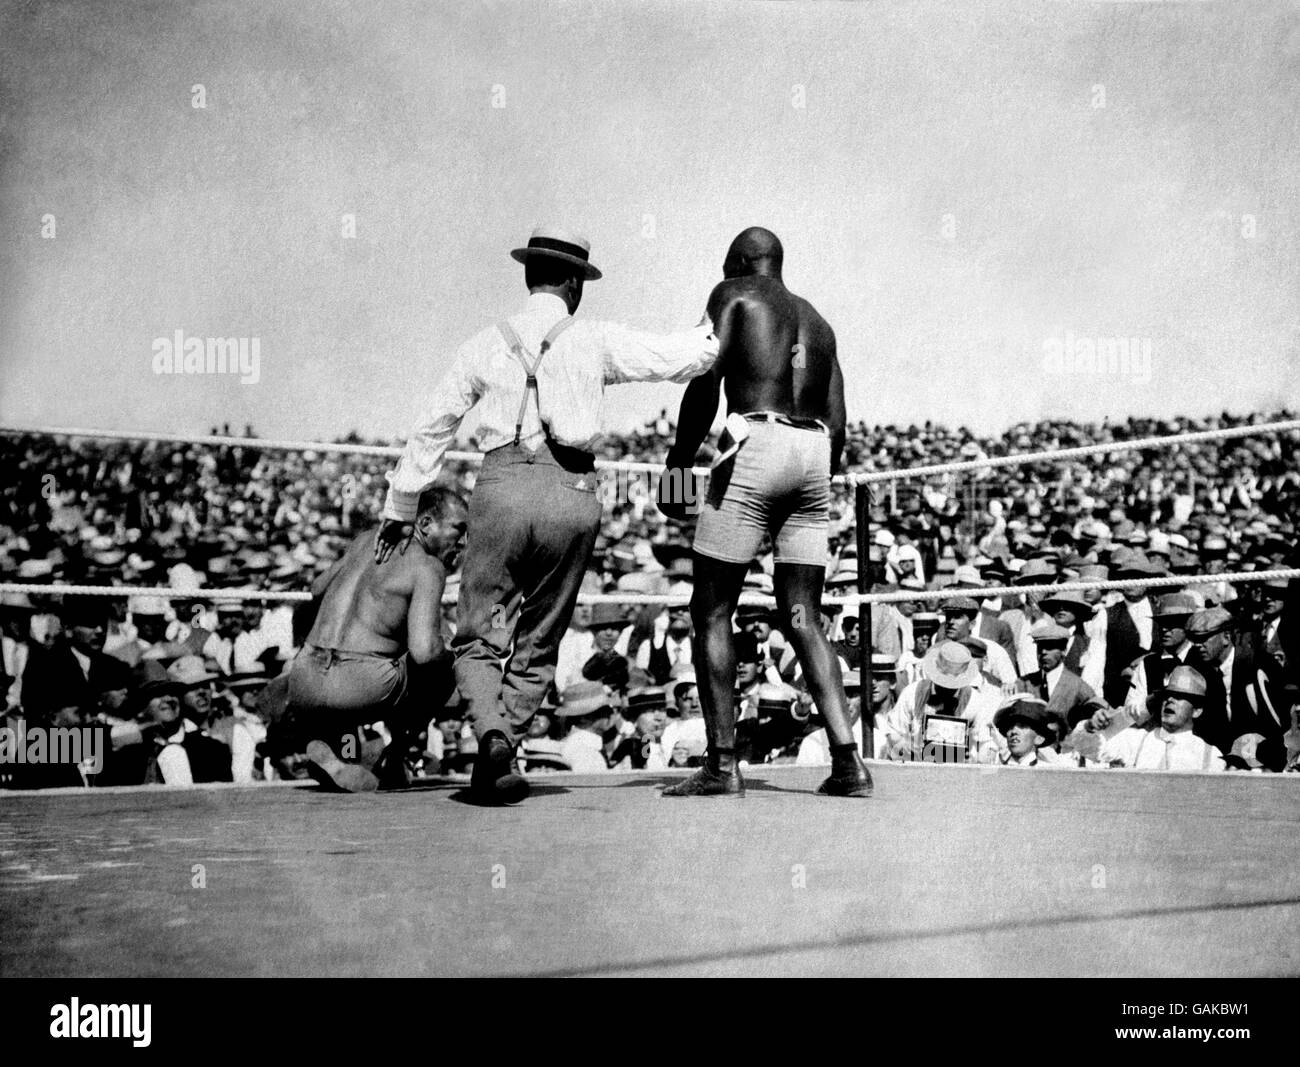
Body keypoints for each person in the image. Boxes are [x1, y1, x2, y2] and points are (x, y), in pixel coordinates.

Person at [378, 226, 719, 805]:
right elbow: (686, 358)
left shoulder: (484, 342)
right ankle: (504, 740)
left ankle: (489, 732)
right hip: (571, 491)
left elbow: (433, 425)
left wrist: (401, 505)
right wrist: (717, 321)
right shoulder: (594, 338)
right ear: (572, 283)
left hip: (502, 486)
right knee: (542, 633)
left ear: (528, 275)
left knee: (480, 632)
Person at [659, 227, 869, 798]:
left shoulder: (734, 295)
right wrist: (813, 475)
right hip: (814, 452)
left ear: (742, 263)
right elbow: (841, 422)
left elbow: (705, 384)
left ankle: (722, 764)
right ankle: (849, 763)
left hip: (758, 439)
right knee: (803, 614)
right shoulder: (818, 323)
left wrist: (678, 466)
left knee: (711, 609)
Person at [285, 486, 467, 791]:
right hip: (357, 686)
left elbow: (317, 588)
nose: (462, 541)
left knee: (382, 660)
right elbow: (424, 652)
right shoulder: (428, 566)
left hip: (303, 679)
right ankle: (394, 758)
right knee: (445, 663)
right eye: (457, 529)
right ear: (424, 524)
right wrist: (453, 654)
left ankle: (331, 753)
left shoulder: (367, 540)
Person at [1096, 665, 1226, 772]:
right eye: (1167, 695)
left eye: (1179, 696)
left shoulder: (1211, 756)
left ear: (1197, 710)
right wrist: (1091, 727)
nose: (1170, 700)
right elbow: (1091, 748)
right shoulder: (1137, 740)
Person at [993, 696, 1068, 767]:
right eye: (1010, 726)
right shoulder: (994, 770)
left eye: (1022, 726)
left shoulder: (1048, 773)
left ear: (1039, 738)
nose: (1014, 731)